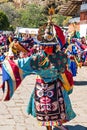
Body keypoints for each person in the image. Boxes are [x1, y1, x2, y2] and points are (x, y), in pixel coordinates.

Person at [0, 8, 76, 130]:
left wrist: (6, 64)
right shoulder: (61, 56)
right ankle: (57, 124)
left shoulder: (36, 58)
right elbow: (66, 67)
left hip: (41, 86)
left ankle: (51, 127)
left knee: (45, 109)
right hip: (56, 86)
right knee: (60, 106)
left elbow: (19, 64)